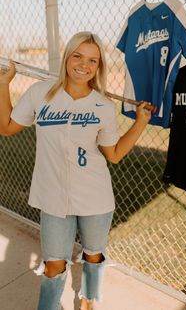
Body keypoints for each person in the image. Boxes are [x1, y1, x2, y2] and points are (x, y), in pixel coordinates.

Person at [0, 31, 151, 310]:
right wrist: (3, 85)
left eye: (93, 60)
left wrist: (140, 122)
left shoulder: (103, 105)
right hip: (53, 195)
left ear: (99, 67)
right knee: (53, 265)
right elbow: (7, 127)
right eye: (78, 56)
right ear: (67, 57)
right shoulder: (40, 93)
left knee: (94, 255)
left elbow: (114, 154)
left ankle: (88, 300)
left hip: (94, 196)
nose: (84, 65)